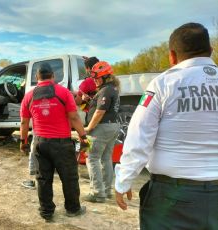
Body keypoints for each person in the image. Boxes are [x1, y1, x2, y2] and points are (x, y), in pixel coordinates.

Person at [115, 22, 218, 229]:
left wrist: (124, 180)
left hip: (173, 198)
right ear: (211, 50)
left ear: (172, 55)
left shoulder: (164, 84)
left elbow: (139, 136)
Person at [20, 62, 88, 222]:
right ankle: (73, 209)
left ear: (37, 77)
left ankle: (46, 212)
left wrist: (23, 142)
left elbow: (24, 123)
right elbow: (74, 117)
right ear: (53, 76)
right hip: (62, 144)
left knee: (43, 179)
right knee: (69, 177)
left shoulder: (29, 96)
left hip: (40, 143)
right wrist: (83, 137)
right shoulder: (64, 93)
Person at [84, 61, 120, 203]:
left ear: (106, 77)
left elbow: (99, 112)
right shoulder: (112, 89)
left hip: (101, 128)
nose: (94, 80)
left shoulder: (105, 91)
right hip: (112, 126)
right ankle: (106, 190)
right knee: (106, 158)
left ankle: (97, 193)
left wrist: (89, 128)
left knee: (91, 158)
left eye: (97, 77)